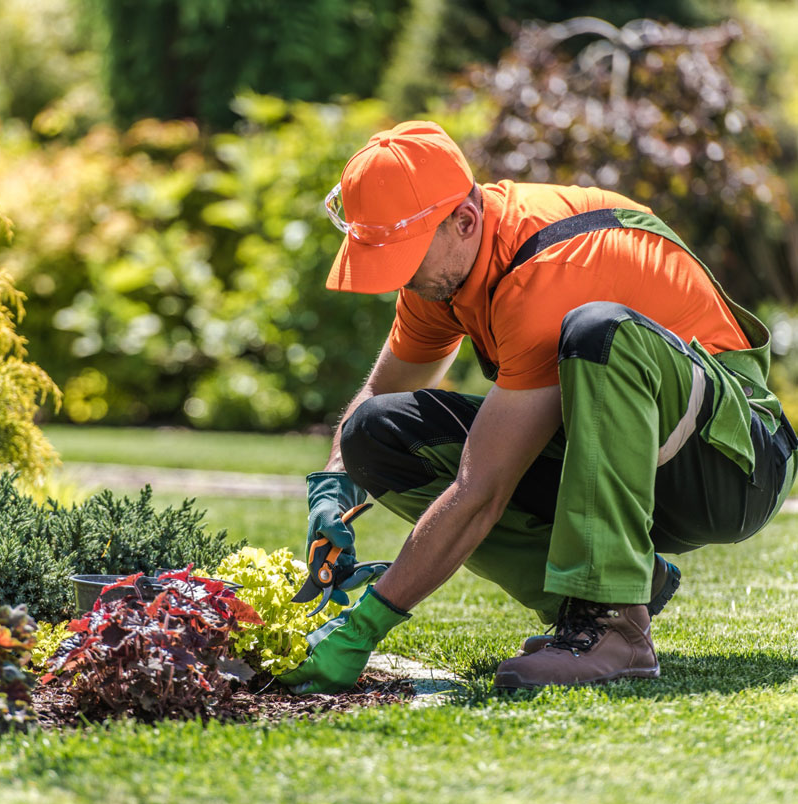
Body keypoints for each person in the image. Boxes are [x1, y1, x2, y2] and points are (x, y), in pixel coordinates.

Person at [277, 120, 797, 694]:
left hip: (732, 466)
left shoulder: (549, 270)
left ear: (464, 221)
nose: (395, 282)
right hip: (633, 460)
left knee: (601, 330)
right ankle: (616, 591)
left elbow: (481, 491)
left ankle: (612, 623)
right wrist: (332, 488)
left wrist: (366, 625)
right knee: (374, 432)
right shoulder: (444, 274)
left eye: (402, 260)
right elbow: (378, 396)